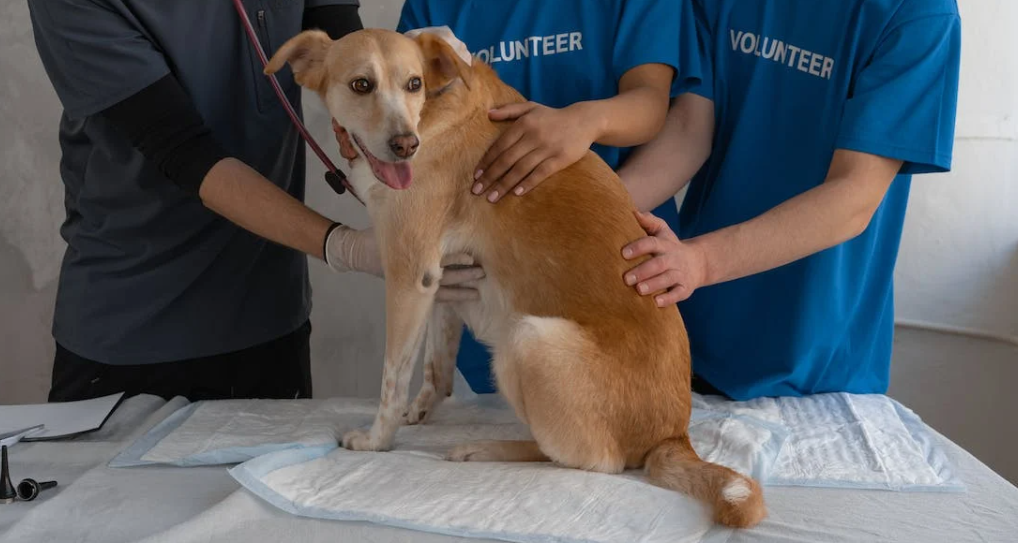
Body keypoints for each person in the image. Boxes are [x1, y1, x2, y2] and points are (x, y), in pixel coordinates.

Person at [27, 0, 482, 403]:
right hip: (133, 331)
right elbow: (183, 152)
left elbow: (336, 28)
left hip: (270, 318)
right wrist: (344, 247)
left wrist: (372, 93)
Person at [615, 0, 963, 400]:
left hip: (817, 366)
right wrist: (582, 214)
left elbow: (852, 197)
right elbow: (690, 130)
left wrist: (700, 261)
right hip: (694, 332)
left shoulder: (918, 12)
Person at [395, 0, 704, 393]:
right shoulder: (433, 6)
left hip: (612, 271)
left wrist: (589, 121)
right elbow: (400, 122)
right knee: (507, 403)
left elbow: (650, 102)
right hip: (488, 288)